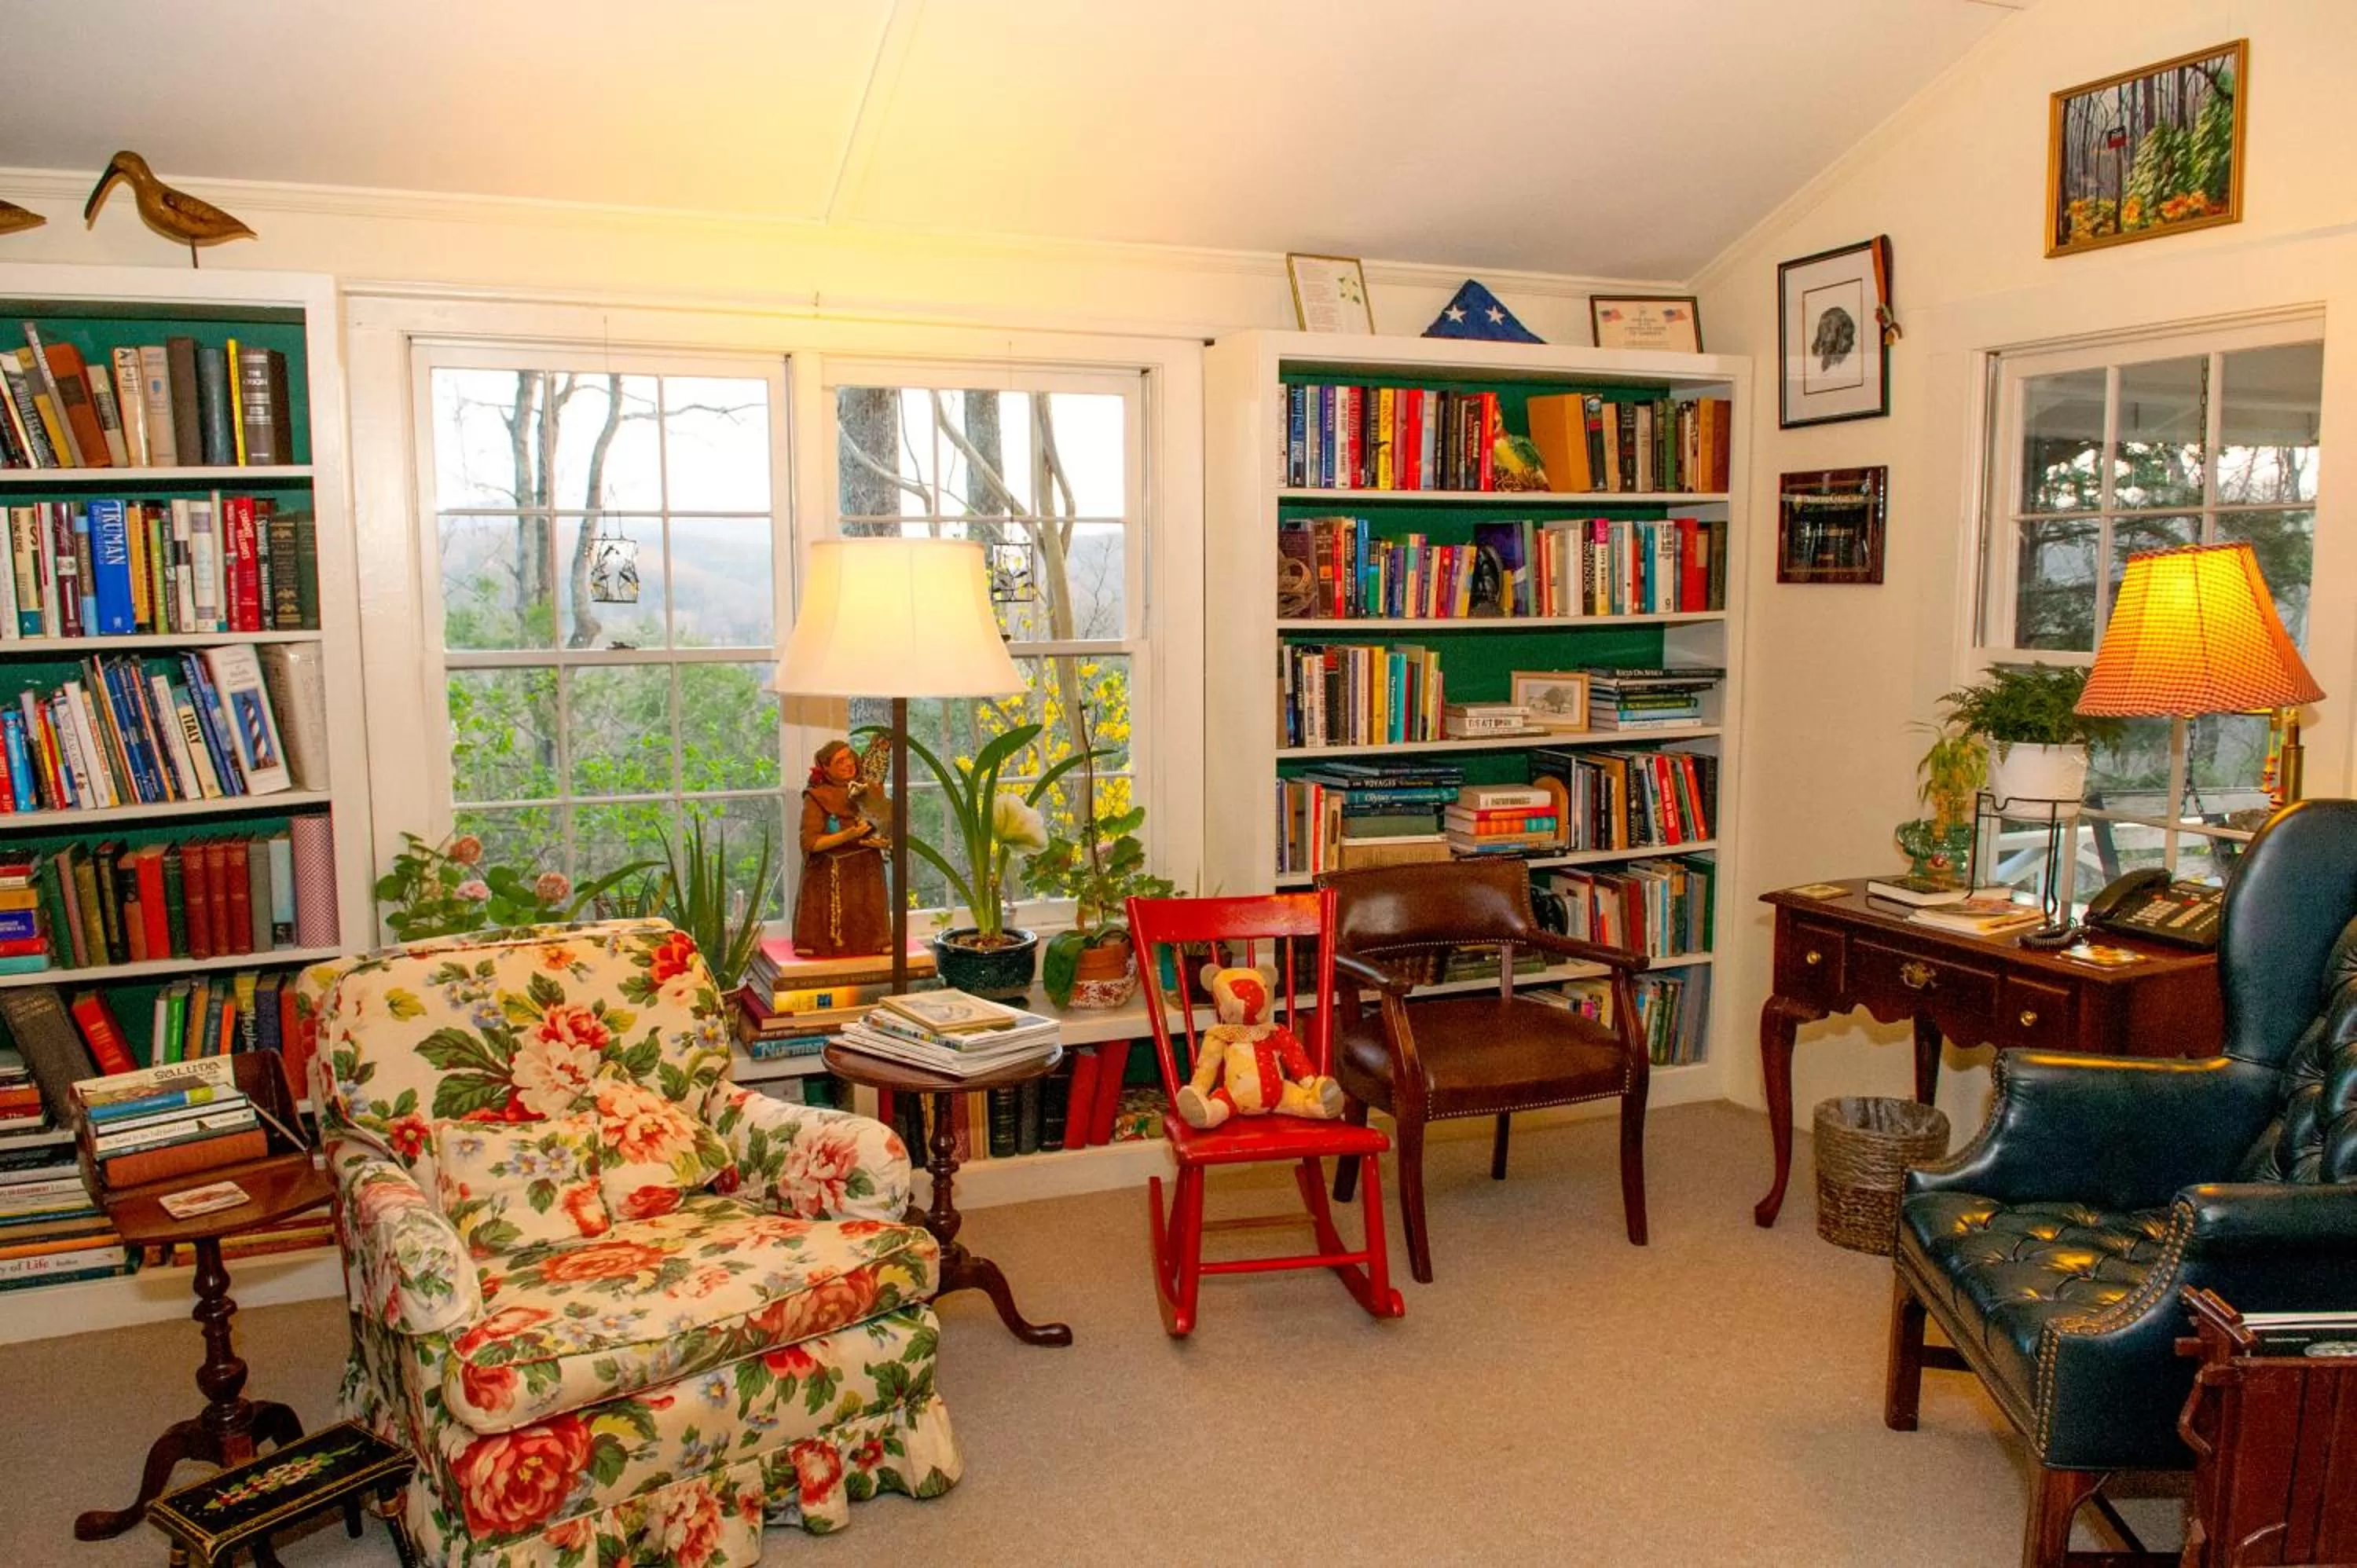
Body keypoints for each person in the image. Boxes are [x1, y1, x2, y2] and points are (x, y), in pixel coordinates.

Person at [792, 738, 892, 958]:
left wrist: (884, 839)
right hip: (831, 872)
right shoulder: (816, 797)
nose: (848, 764)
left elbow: (884, 820)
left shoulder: (868, 789)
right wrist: (848, 835)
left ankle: (876, 940)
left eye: (849, 757)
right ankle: (819, 943)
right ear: (826, 768)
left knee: (870, 911)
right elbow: (811, 843)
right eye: (840, 761)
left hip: (866, 869)